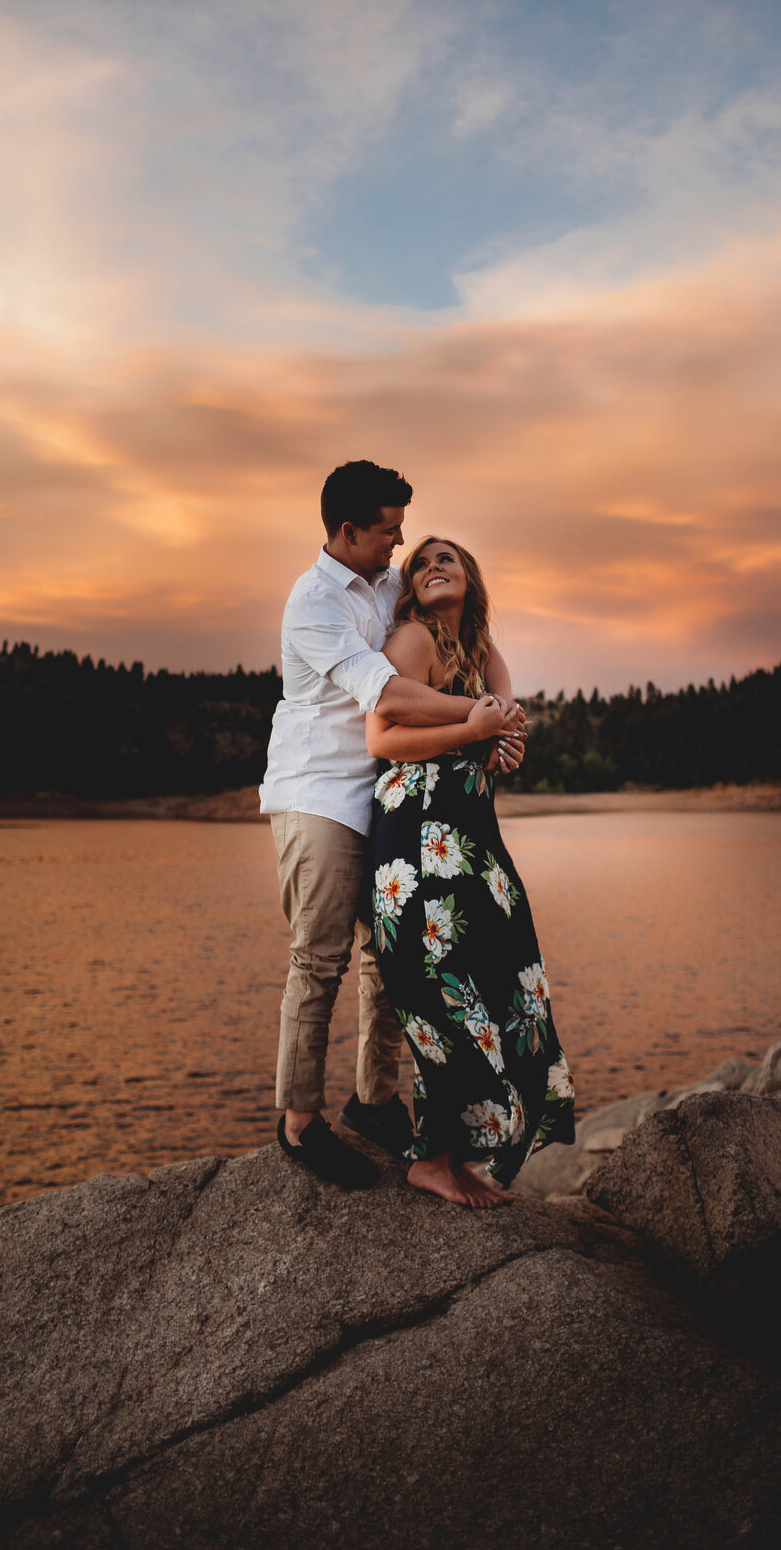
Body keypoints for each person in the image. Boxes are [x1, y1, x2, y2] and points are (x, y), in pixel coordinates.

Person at [260, 463, 527, 1189]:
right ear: (348, 532)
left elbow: (454, 643)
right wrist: (481, 718)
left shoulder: (387, 584)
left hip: (384, 798)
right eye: (387, 530)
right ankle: (299, 1124)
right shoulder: (313, 601)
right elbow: (382, 691)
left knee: (389, 960)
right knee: (319, 959)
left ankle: (375, 1101)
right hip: (318, 793)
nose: (400, 542)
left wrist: (494, 718)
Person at [365, 535, 575, 1207]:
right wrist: (475, 729)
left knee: (509, 979)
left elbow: (509, 726)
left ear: (470, 577)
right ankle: (434, 1155)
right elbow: (383, 733)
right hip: (420, 836)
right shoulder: (412, 640)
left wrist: (506, 745)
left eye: (445, 558)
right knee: (442, 986)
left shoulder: (483, 651)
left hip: (475, 836)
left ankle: (457, 1151)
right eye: (420, 563)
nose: (431, 567)